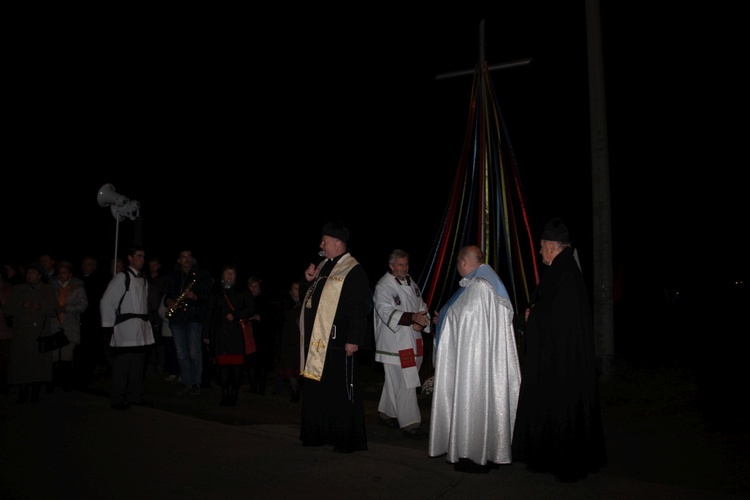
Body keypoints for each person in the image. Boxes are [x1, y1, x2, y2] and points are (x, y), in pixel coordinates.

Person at [511, 217, 607, 482]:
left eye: (542, 246)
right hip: (563, 357)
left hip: (561, 361)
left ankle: (563, 461)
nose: (540, 251)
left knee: (562, 407)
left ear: (552, 246)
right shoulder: (565, 270)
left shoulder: (562, 273)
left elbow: (555, 317)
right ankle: (555, 458)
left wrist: (532, 318)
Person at [427, 245, 521, 473]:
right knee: (488, 400)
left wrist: (444, 319)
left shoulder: (479, 286)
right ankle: (490, 450)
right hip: (487, 361)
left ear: (463, 262)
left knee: (473, 400)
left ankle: (473, 453)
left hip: (475, 362)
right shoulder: (491, 283)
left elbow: (465, 317)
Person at [299, 221, 371, 453]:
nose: (321, 245)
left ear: (338, 243)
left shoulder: (353, 270)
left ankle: (344, 439)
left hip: (340, 342)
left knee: (340, 392)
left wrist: (354, 339)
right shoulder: (323, 266)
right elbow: (308, 300)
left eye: (325, 241)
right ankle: (319, 434)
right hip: (318, 342)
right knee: (320, 391)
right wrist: (307, 281)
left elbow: (360, 307)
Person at [373, 249, 430, 439]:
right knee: (406, 381)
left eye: (406, 264)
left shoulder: (412, 283)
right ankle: (410, 424)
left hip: (413, 340)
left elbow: (421, 306)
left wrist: (422, 320)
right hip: (394, 344)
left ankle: (385, 413)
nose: (404, 268)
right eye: (400, 265)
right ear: (391, 266)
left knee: (395, 381)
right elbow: (385, 310)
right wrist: (411, 318)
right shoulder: (383, 286)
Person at [100, 244, 155, 410]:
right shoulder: (122, 277)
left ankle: (134, 396)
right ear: (130, 258)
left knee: (138, 366)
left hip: (141, 329)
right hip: (126, 329)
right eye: (138, 256)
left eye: (143, 256)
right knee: (122, 366)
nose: (142, 259)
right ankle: (117, 399)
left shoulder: (143, 278)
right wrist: (109, 326)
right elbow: (107, 302)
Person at [4, 261, 58, 403]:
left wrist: (41, 307)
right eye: (28, 272)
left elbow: (54, 311)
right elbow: (8, 310)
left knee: (39, 363)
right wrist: (22, 305)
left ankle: (36, 390)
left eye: (33, 272)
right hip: (22, 332)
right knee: (22, 362)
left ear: (40, 275)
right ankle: (23, 389)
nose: (30, 275)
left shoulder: (48, 290)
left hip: (41, 332)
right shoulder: (18, 289)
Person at [203, 264, 255, 406]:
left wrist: (236, 315)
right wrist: (206, 333)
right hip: (220, 335)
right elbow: (209, 313)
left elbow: (251, 308)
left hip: (237, 334)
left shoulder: (243, 291)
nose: (230, 275)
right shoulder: (216, 292)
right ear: (222, 275)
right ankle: (225, 393)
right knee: (223, 366)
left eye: (232, 273)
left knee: (237, 367)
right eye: (227, 273)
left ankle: (234, 393)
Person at [165, 248, 212, 396]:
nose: (186, 259)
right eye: (183, 256)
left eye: (189, 256)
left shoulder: (201, 274)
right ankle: (186, 382)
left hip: (193, 318)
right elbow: (167, 293)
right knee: (181, 353)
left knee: (194, 352)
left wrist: (195, 296)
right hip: (177, 319)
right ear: (178, 260)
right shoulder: (173, 275)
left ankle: (196, 383)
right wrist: (169, 300)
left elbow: (207, 295)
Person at [48, 260, 88, 393]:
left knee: (66, 355)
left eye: (64, 273)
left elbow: (83, 305)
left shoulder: (77, 288)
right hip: (54, 325)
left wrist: (66, 308)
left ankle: (66, 383)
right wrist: (55, 309)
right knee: (53, 356)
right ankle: (52, 383)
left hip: (70, 325)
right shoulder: (51, 287)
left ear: (70, 274)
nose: (61, 275)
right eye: (60, 272)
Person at [78, 255, 111, 385]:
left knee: (90, 346)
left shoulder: (99, 281)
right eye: (84, 263)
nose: (86, 266)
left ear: (94, 267)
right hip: (79, 318)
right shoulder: (78, 279)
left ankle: (89, 372)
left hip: (92, 319)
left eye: (89, 264)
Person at [277, 280, 302, 402]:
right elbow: (288, 316)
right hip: (289, 339)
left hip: (302, 340)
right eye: (294, 288)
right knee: (291, 367)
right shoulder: (286, 302)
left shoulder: (307, 302)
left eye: (299, 288)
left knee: (301, 368)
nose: (297, 291)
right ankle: (294, 393)